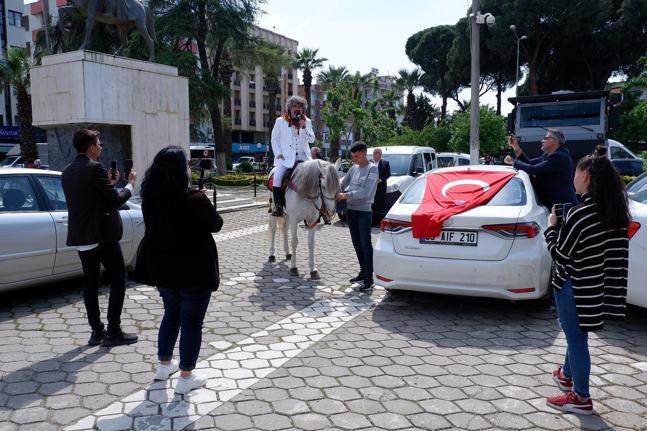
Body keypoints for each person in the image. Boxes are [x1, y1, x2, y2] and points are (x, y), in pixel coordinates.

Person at [544, 146, 630, 415]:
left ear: (586, 176)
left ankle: (580, 397)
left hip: (574, 287)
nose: (573, 177)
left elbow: (561, 256)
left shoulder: (580, 216)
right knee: (577, 336)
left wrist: (551, 228)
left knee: (576, 339)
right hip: (596, 287)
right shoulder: (616, 215)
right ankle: (567, 375)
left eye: (576, 172)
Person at [140, 146, 223, 395]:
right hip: (194, 272)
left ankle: (164, 365)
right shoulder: (195, 199)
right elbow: (216, 224)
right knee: (191, 322)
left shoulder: (149, 199)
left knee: (171, 315)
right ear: (180, 170)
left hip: (163, 270)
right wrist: (203, 198)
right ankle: (186, 376)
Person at [61, 129, 138, 347]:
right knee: (119, 278)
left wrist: (109, 184)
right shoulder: (95, 168)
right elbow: (114, 202)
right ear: (92, 147)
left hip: (82, 235)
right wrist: (130, 185)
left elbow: (90, 199)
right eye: (99, 143)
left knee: (91, 282)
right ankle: (114, 330)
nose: (101, 146)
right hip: (102, 234)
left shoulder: (67, 171)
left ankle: (96, 331)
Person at [336, 141, 379, 291]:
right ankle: (362, 271)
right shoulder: (353, 168)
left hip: (364, 212)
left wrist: (345, 195)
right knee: (356, 243)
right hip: (351, 211)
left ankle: (369, 277)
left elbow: (366, 192)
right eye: (353, 156)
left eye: (357, 156)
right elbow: (342, 183)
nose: (354, 159)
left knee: (365, 245)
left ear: (365, 153)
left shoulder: (372, 169)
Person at [505, 129, 578, 209]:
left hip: (563, 207)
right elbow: (529, 163)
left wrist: (514, 162)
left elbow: (534, 169)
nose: (542, 141)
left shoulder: (559, 157)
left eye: (545, 138)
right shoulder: (548, 155)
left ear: (555, 141)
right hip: (555, 206)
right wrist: (515, 146)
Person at [270, 95, 315, 216]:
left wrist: (304, 127)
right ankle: (278, 206)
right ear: (289, 108)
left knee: (317, 174)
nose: (297, 108)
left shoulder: (307, 121)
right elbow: (274, 139)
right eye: (294, 106)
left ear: (303, 109)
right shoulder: (280, 121)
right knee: (277, 177)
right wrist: (278, 154)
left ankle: (319, 204)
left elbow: (311, 140)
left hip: (304, 157)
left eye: (300, 106)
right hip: (285, 158)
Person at [371, 148, 390, 226]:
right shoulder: (370, 163)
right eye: (373, 153)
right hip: (371, 188)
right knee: (371, 205)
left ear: (380, 154)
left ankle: (378, 223)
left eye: (376, 153)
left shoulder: (385, 163)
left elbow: (388, 174)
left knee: (379, 206)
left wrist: (381, 180)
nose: (374, 154)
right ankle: (371, 222)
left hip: (380, 188)